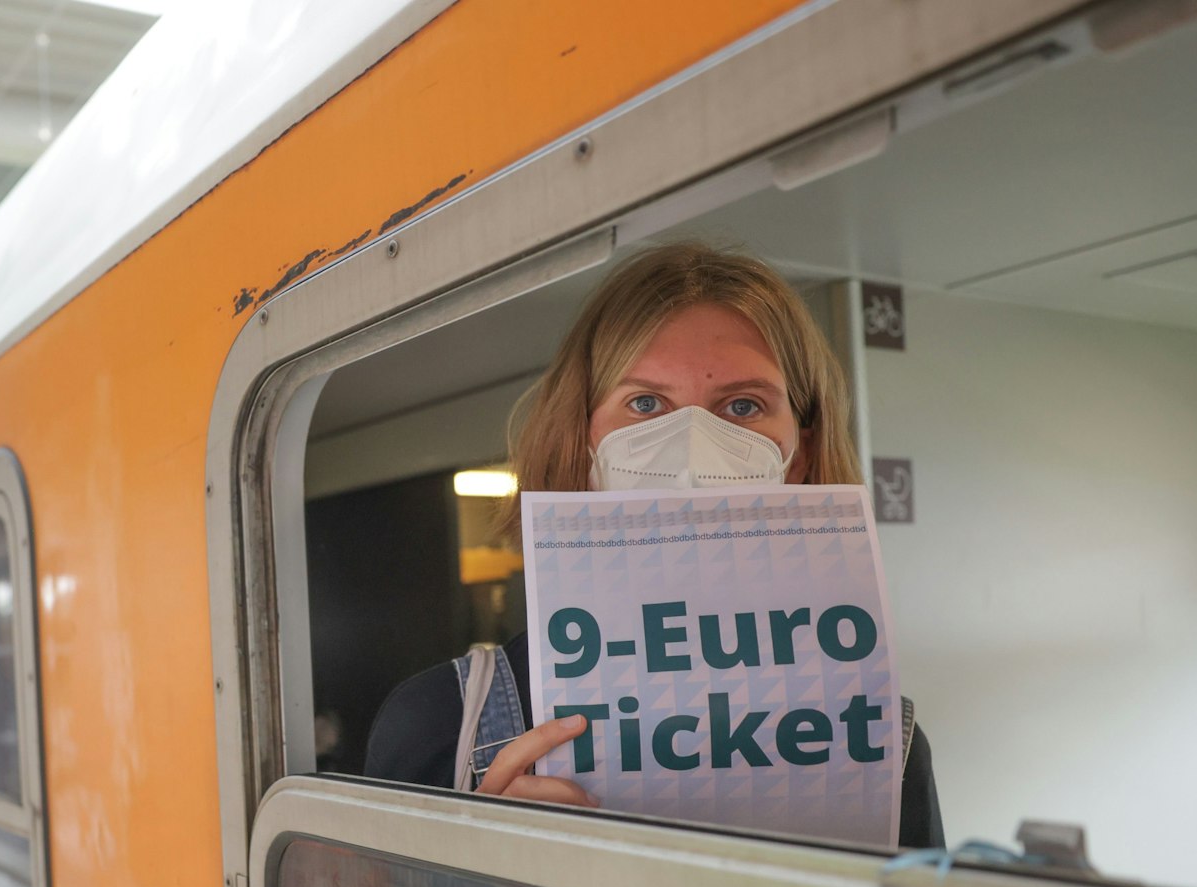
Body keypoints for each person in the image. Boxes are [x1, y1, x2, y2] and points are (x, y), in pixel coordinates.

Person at [365, 241, 944, 848]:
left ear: (798, 454)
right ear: (580, 440)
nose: (692, 444)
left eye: (742, 406)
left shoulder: (881, 738)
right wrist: (494, 877)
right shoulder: (438, 721)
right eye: (646, 404)